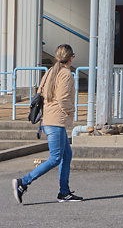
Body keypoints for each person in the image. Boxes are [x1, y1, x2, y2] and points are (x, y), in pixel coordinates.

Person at [12, 45, 83, 204]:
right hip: (56, 121)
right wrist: (72, 110)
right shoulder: (66, 74)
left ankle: (64, 192)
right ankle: (23, 182)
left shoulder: (50, 71)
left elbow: (41, 92)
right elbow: (62, 98)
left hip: (49, 120)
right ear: (70, 57)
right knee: (56, 158)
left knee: (66, 154)